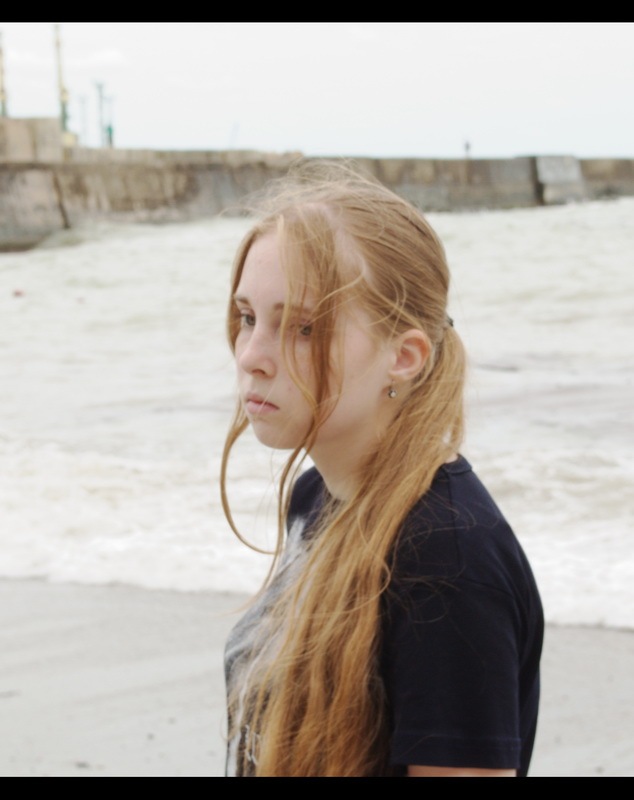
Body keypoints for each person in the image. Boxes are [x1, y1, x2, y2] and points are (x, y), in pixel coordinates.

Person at [221, 161, 543, 777]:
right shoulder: (317, 496)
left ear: (405, 355)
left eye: (303, 328)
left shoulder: (446, 560)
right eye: (248, 317)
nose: (252, 356)